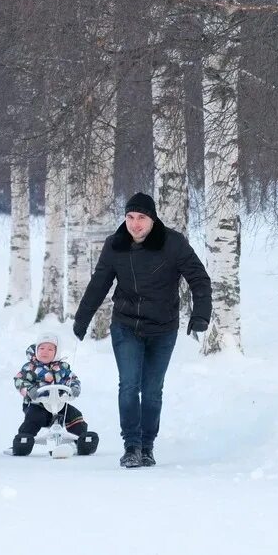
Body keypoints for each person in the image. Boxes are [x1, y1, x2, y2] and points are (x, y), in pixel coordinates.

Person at [72, 192, 211, 469]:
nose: (135, 224)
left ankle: (147, 446)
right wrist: (82, 320)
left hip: (163, 328)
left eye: (141, 218)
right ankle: (132, 446)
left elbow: (199, 278)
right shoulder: (115, 245)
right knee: (129, 385)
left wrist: (201, 315)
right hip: (126, 325)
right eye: (130, 217)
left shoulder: (173, 243)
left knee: (152, 390)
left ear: (152, 218)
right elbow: (99, 284)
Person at [10, 332, 99, 457]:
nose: (45, 352)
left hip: (59, 404)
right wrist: (30, 390)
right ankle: (24, 440)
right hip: (37, 404)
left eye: (50, 349)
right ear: (36, 350)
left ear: (56, 352)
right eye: (41, 348)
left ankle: (81, 440)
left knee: (75, 416)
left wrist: (74, 387)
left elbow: (72, 378)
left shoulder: (62, 368)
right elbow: (19, 380)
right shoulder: (30, 368)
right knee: (34, 418)